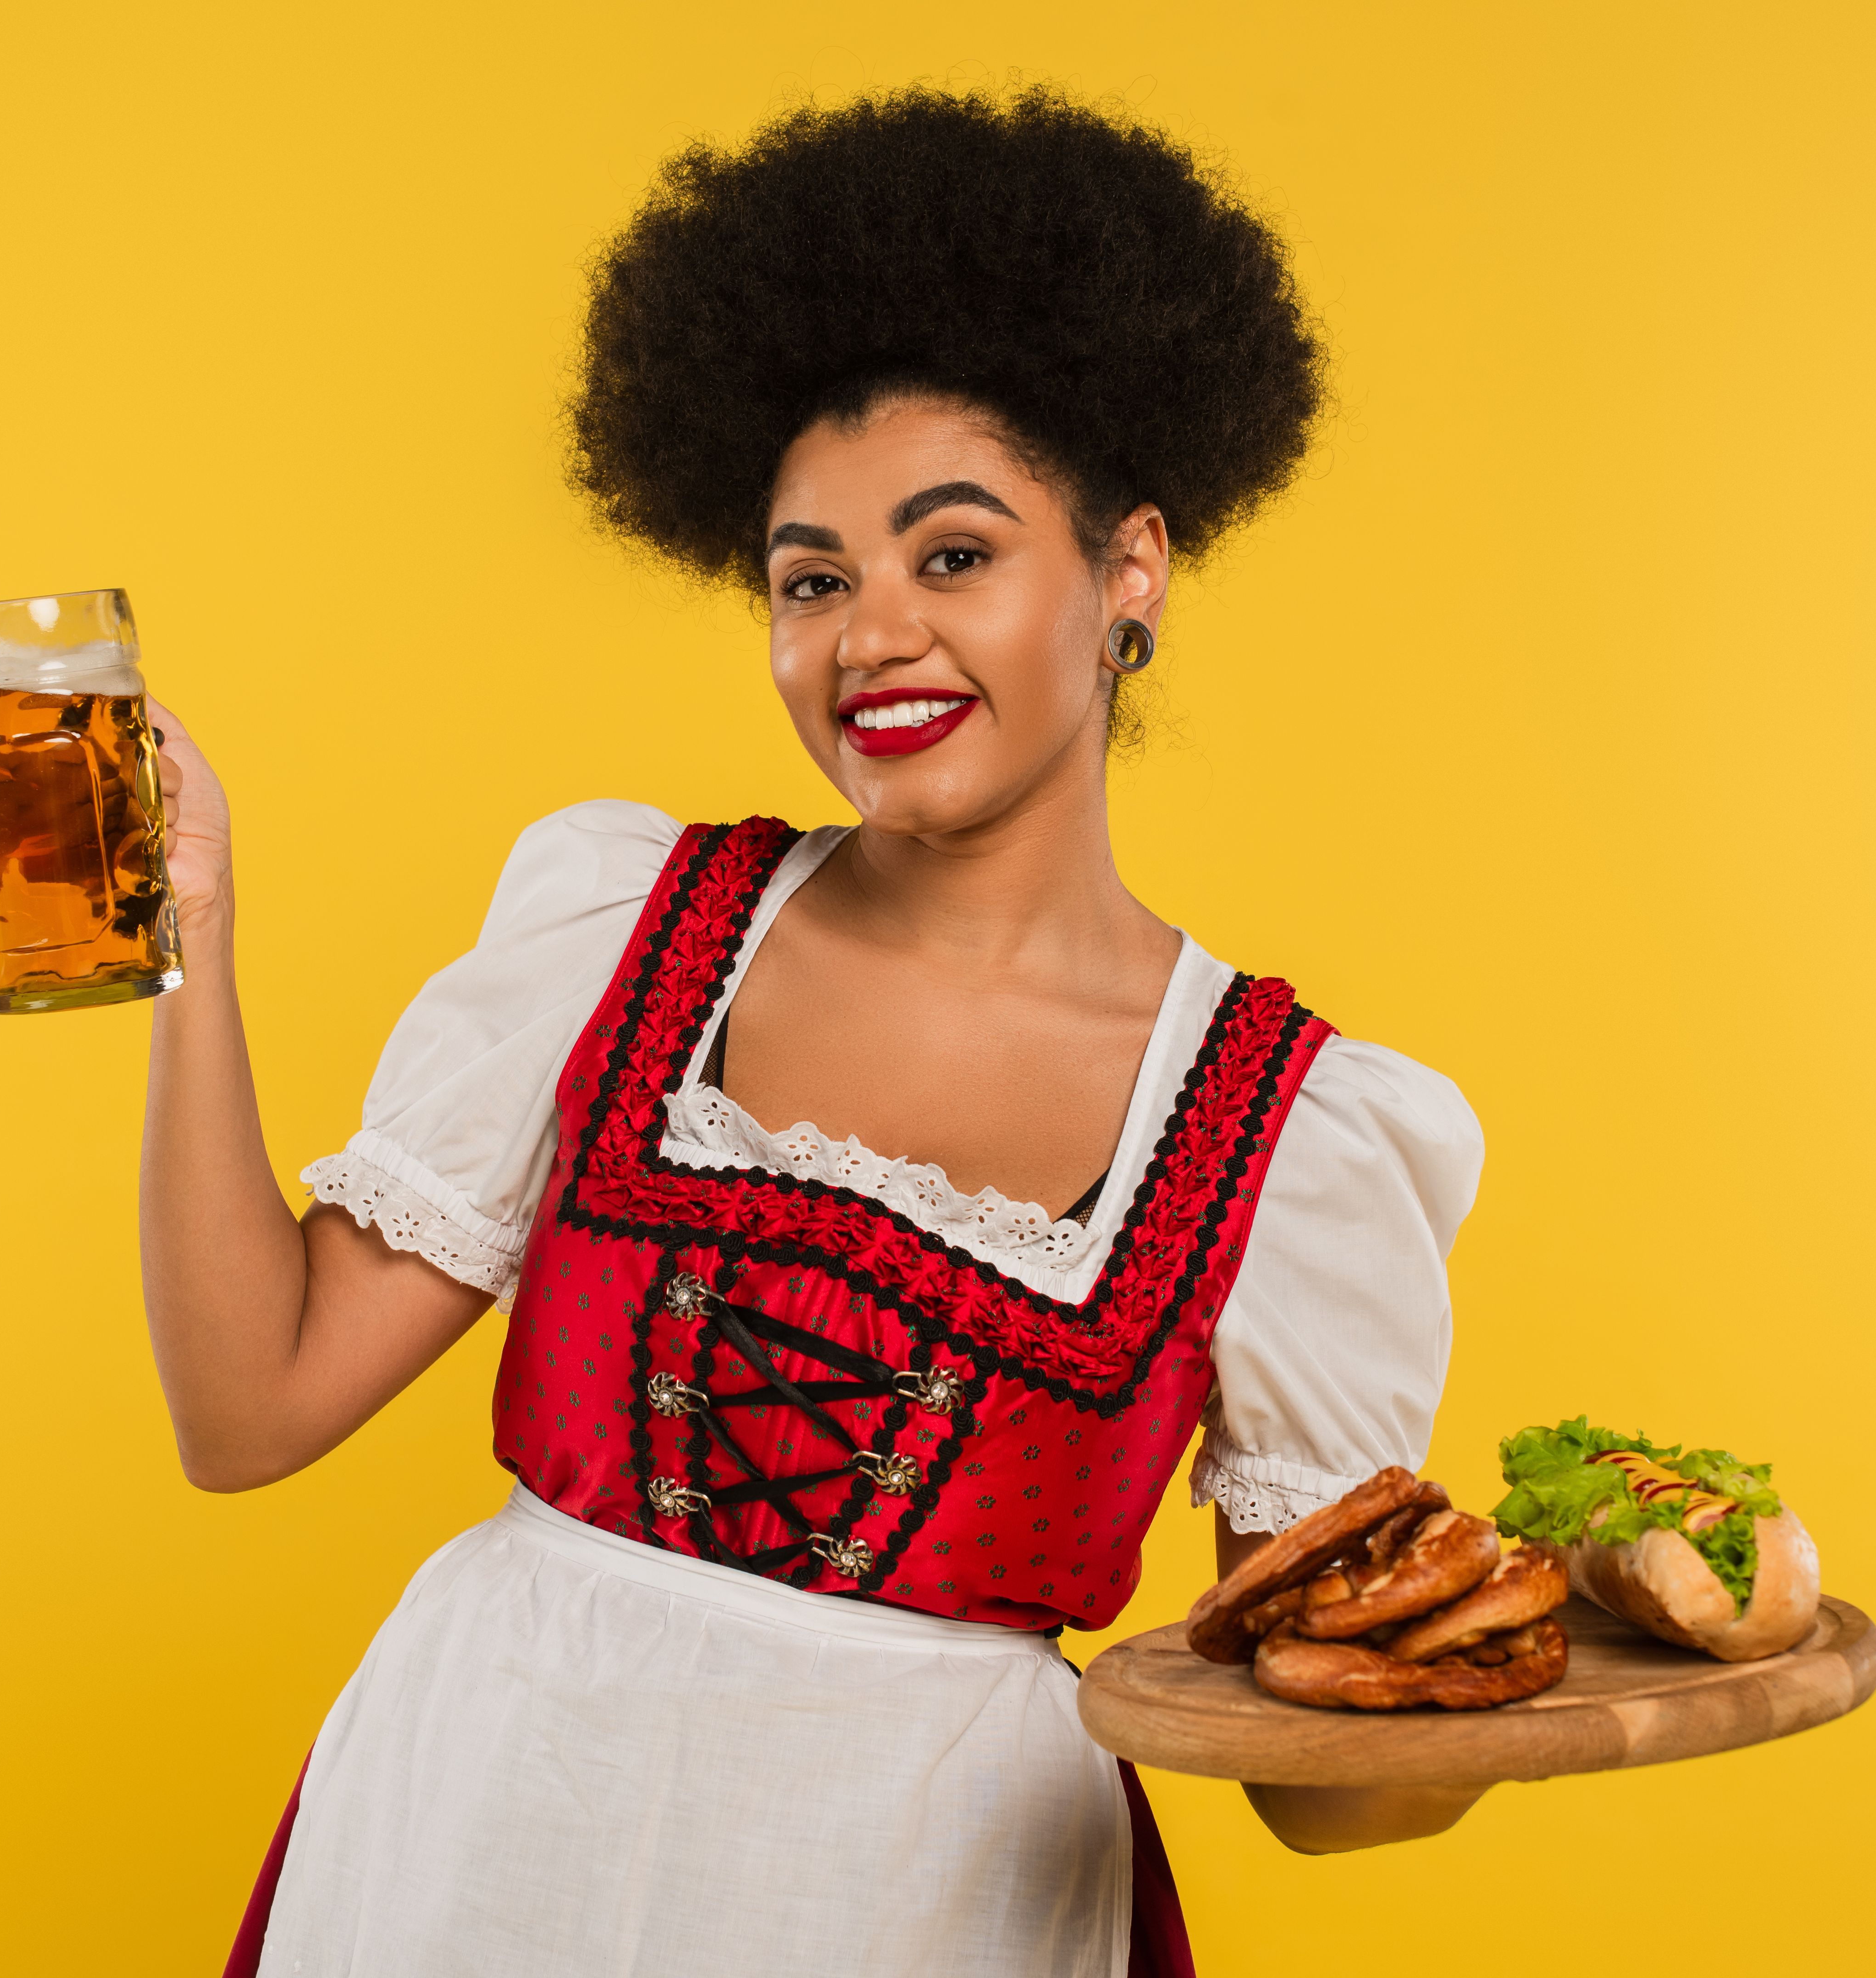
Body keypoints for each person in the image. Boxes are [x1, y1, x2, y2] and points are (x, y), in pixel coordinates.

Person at [140, 87, 1485, 1978]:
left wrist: (1502, 1687)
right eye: (808, 579)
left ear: (1127, 573)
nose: (868, 636)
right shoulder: (621, 924)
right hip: (478, 1840)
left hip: (931, 1905)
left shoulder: (1297, 1135)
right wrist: (186, 933)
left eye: (952, 556)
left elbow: (1326, 1789)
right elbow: (247, 1406)